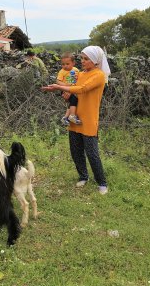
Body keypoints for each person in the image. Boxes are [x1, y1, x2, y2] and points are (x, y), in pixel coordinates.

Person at [41, 46, 109, 195]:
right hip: (75, 117)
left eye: (86, 59)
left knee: (92, 153)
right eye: (82, 58)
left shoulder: (99, 75)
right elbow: (74, 88)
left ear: (96, 61)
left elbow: (82, 88)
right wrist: (64, 91)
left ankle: (102, 183)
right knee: (76, 151)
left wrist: (59, 87)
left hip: (89, 119)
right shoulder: (82, 74)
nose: (82, 61)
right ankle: (83, 176)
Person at [56, 52, 81, 126]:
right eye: (63, 64)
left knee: (72, 102)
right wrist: (66, 86)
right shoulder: (62, 71)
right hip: (65, 90)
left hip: (73, 89)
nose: (65, 66)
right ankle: (72, 115)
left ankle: (65, 117)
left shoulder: (76, 70)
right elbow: (58, 81)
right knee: (74, 99)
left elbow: (79, 79)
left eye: (67, 64)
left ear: (73, 63)